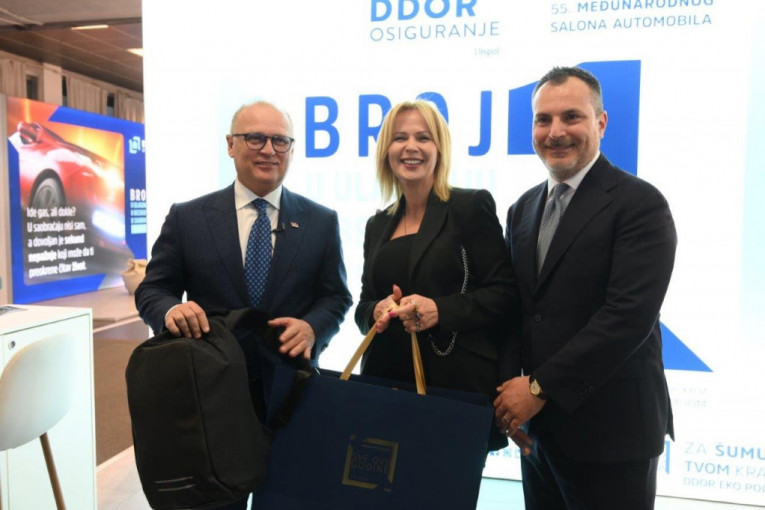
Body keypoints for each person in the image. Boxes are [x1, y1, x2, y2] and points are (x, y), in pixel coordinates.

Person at [135, 100, 353, 510]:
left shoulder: (321, 221)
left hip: (290, 398)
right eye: (255, 138)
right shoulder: (188, 218)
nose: (268, 149)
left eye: (280, 140)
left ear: (291, 149)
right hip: (209, 401)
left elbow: (336, 296)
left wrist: (313, 328)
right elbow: (154, 289)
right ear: (231, 145)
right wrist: (170, 311)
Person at [494, 66, 677, 509]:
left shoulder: (640, 204)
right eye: (543, 119)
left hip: (613, 435)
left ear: (601, 122)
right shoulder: (522, 209)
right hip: (538, 434)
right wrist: (511, 399)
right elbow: (518, 310)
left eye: (571, 117)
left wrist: (536, 389)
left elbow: (627, 318)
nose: (555, 132)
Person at [354, 99, 518, 451]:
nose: (410, 147)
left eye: (423, 137)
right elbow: (363, 305)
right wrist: (376, 310)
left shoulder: (470, 206)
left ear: (439, 149)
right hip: (385, 386)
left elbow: (504, 294)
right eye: (400, 138)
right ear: (386, 151)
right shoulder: (377, 223)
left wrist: (439, 311)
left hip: (454, 387)